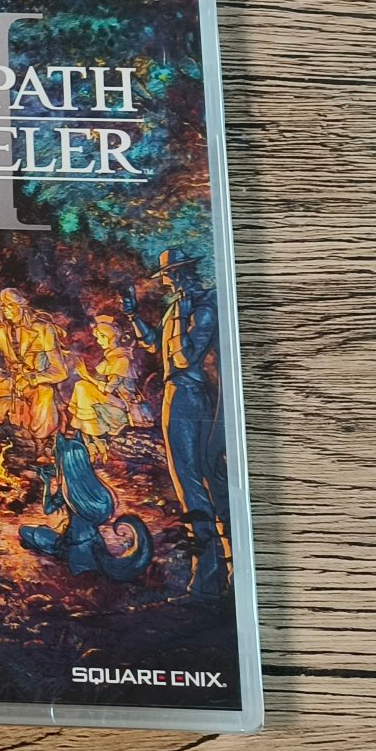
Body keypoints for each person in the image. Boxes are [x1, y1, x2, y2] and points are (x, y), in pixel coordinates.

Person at [125, 250, 231, 601]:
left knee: (195, 486)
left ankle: (208, 583)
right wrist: (133, 316)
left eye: (169, 275)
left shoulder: (202, 307)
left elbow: (184, 358)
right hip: (177, 394)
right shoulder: (178, 307)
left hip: (191, 396)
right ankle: (216, 578)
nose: (167, 282)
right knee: (195, 485)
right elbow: (154, 344)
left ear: (182, 273)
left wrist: (183, 314)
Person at [20, 433, 153, 582]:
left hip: (73, 547)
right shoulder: (94, 487)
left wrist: (46, 482)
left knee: (25, 531)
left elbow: (48, 509)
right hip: (96, 542)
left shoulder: (67, 490)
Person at [0, 288, 68, 441]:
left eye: (10, 305)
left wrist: (32, 379)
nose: (6, 310)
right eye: (3, 306)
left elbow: (60, 371)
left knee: (45, 391)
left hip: (33, 385)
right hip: (8, 382)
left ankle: (40, 442)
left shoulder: (44, 329)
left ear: (21, 306)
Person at [69, 314, 143, 459]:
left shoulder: (121, 359)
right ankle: (92, 437)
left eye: (101, 337)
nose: (98, 341)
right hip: (110, 401)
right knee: (81, 385)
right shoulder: (110, 358)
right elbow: (98, 382)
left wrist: (86, 375)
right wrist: (86, 376)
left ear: (111, 337)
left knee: (83, 387)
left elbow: (108, 389)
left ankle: (94, 436)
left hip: (121, 406)